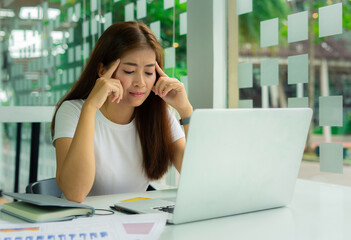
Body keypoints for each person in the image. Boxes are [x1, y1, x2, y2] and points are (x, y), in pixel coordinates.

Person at [51, 21, 193, 203]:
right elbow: (75, 193)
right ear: (103, 70)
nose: (140, 82)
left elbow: (199, 178)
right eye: (129, 70)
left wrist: (185, 110)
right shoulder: (73, 111)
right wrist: (90, 107)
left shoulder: (159, 115)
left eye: (149, 73)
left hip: (135, 220)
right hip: (85, 222)